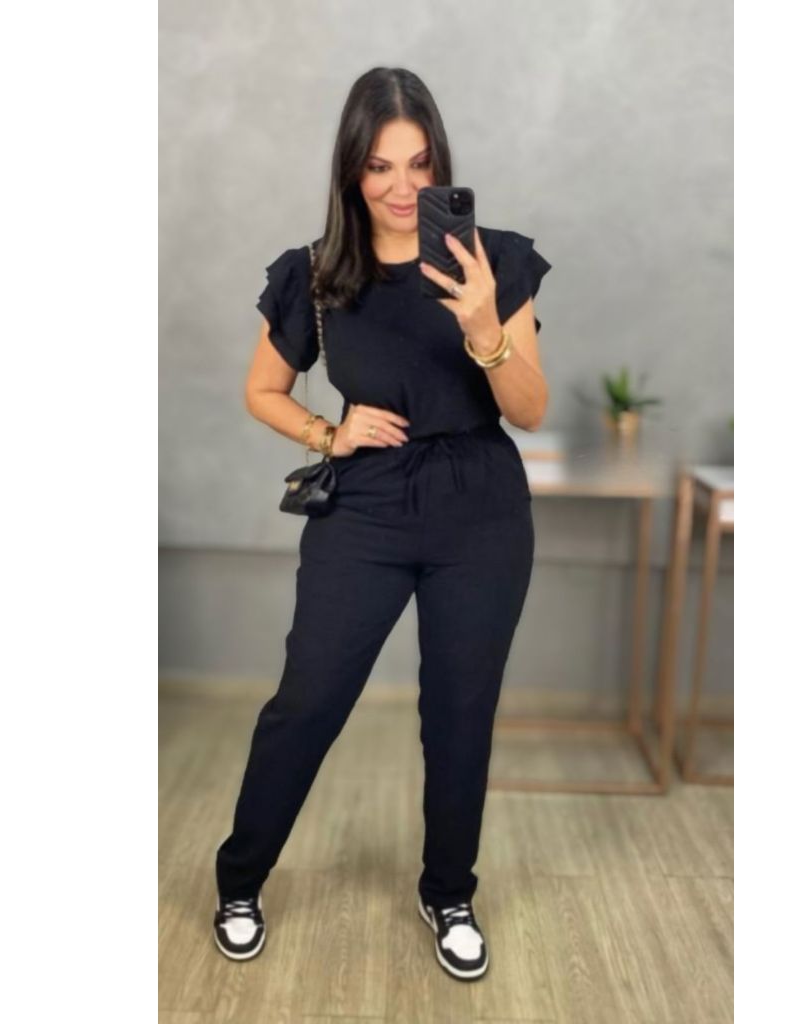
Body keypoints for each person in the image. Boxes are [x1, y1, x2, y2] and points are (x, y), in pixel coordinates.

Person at [212, 67, 551, 983]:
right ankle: (239, 882)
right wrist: (331, 432)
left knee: (460, 713)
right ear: (352, 171)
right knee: (309, 699)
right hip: (365, 505)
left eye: (419, 162)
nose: (402, 186)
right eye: (379, 166)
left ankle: (449, 893)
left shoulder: (494, 260)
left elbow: (529, 410)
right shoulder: (318, 272)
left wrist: (484, 326)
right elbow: (262, 390)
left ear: (441, 163)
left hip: (480, 508)